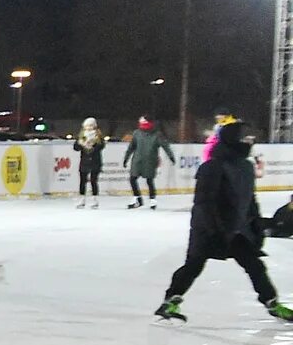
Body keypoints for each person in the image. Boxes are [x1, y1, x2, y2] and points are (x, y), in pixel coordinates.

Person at [155, 120, 292, 323]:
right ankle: (170, 301)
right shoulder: (212, 167)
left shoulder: (246, 167)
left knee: (255, 266)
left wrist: (255, 225)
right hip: (209, 228)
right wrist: (214, 230)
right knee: (194, 265)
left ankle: (272, 302)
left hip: (237, 229)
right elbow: (204, 203)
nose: (248, 141)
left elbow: (250, 199)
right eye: (243, 137)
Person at [123, 116, 175, 209]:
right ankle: (137, 198)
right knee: (133, 179)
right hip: (137, 160)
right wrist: (126, 158)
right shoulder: (137, 133)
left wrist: (171, 156)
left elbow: (165, 146)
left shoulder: (157, 134)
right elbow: (131, 147)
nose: (143, 125)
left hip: (150, 161)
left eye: (144, 123)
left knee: (149, 180)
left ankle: (152, 200)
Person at [73, 117, 107, 208]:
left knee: (93, 181)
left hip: (95, 162)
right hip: (84, 161)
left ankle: (94, 200)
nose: (89, 127)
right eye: (87, 125)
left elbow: (101, 146)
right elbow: (75, 148)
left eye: (91, 125)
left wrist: (92, 147)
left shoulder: (98, 136)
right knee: (82, 181)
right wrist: (81, 144)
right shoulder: (82, 136)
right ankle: (82, 199)